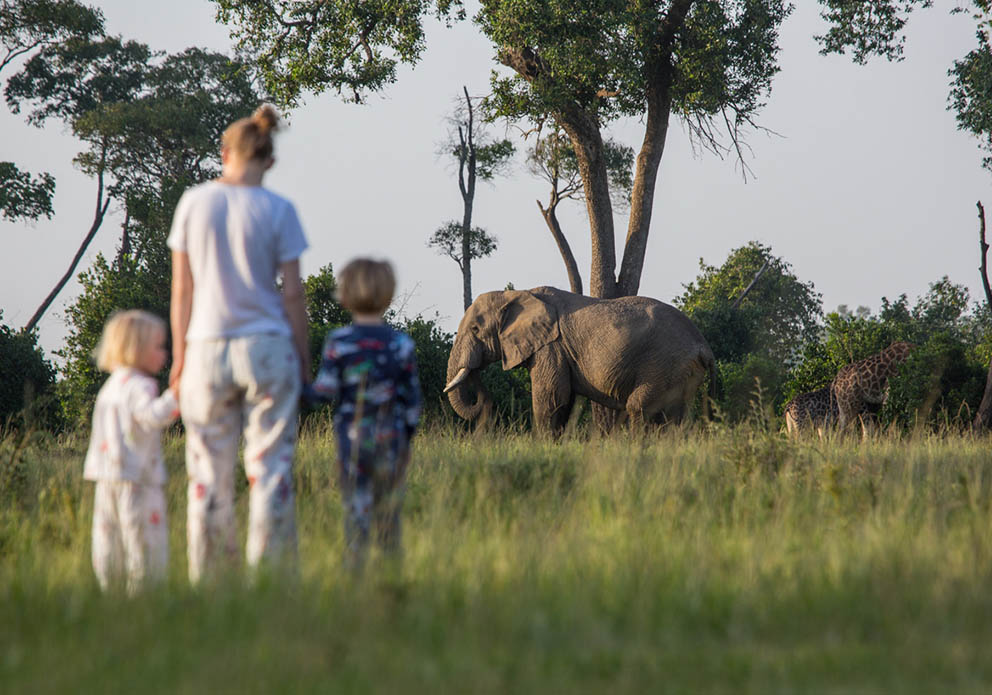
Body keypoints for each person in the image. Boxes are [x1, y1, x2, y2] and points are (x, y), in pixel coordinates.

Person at [167, 104, 309, 584]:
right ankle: (269, 583)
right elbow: (292, 295)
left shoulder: (193, 202)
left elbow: (182, 290)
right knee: (269, 472)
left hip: (205, 348)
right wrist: (304, 362)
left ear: (223, 152)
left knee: (207, 475)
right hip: (267, 348)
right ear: (269, 160)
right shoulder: (280, 209)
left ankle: (210, 585)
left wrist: (180, 359)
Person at [308, 258, 422, 572]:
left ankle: (354, 579)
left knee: (356, 514)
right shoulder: (402, 344)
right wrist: (406, 444)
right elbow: (412, 404)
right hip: (392, 444)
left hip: (352, 447)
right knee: (389, 517)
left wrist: (296, 389)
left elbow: (324, 392)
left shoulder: (339, 343)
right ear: (388, 297)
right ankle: (389, 583)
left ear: (344, 297)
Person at [84, 310, 179, 593]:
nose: (164, 354)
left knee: (108, 541)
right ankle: (143, 596)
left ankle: (109, 591)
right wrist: (176, 396)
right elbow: (151, 416)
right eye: (158, 346)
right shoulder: (141, 386)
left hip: (106, 476)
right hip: (137, 477)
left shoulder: (110, 386)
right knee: (143, 543)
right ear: (137, 349)